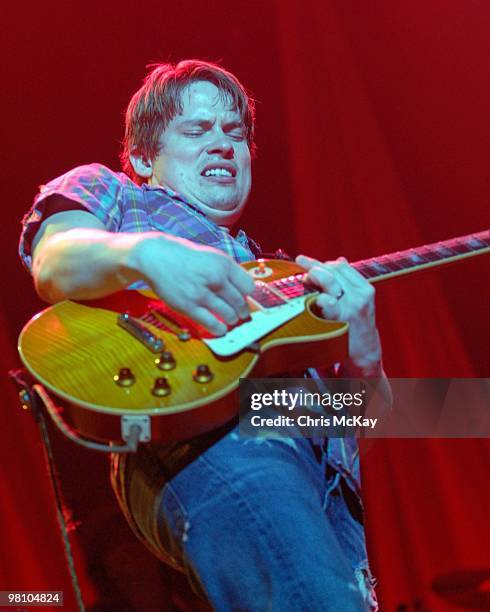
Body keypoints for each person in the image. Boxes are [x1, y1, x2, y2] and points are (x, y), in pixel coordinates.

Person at [20, 60, 386, 610]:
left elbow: (364, 424)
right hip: (197, 430)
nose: (222, 144)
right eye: (196, 131)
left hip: (312, 472)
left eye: (234, 133)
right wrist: (145, 252)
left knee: (463, 408)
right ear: (144, 157)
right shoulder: (117, 193)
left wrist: (363, 350)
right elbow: (53, 261)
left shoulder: (281, 276)